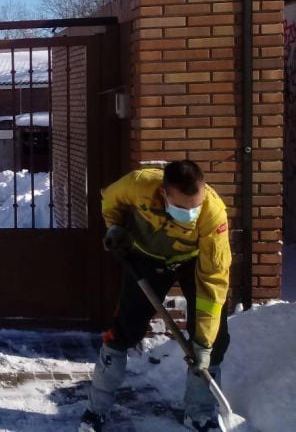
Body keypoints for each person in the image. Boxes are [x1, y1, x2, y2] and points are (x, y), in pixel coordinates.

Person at [80, 160, 231, 432]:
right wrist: (114, 227)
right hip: (146, 259)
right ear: (164, 193)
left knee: (214, 341)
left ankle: (199, 414)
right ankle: (96, 409)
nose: (191, 214)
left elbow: (213, 280)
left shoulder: (213, 214)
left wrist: (203, 343)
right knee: (124, 331)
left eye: (195, 206)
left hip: (192, 262)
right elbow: (110, 199)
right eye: (183, 208)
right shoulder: (139, 184)